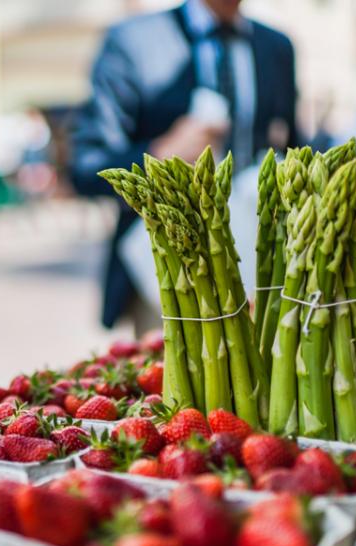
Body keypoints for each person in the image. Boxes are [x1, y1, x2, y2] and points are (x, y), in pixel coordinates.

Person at [70, 0, 299, 333]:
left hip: (257, 264)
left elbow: (294, 145)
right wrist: (160, 154)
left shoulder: (276, 46)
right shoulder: (132, 40)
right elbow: (87, 165)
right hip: (166, 269)